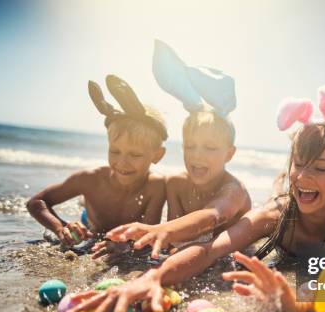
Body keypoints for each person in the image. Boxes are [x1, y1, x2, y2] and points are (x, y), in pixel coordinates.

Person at [67, 79, 325, 312]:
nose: (302, 176)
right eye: (298, 163)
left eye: (321, 168)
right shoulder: (276, 213)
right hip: (283, 213)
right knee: (282, 192)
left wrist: (302, 304)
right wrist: (155, 277)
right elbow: (209, 250)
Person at [105, 41, 251, 259]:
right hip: (194, 256)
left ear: (229, 154)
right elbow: (174, 241)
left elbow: (212, 215)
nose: (197, 155)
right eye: (190, 146)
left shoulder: (233, 190)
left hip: (232, 260)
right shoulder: (176, 184)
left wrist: (162, 230)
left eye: (210, 148)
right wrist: (128, 243)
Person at [26, 75, 167, 255]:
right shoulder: (90, 179)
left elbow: (147, 236)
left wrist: (125, 246)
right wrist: (61, 228)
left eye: (135, 154)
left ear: (157, 155)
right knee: (86, 221)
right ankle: (84, 204)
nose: (122, 162)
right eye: (115, 152)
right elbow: (36, 202)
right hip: (92, 223)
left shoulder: (155, 186)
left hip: (116, 229)